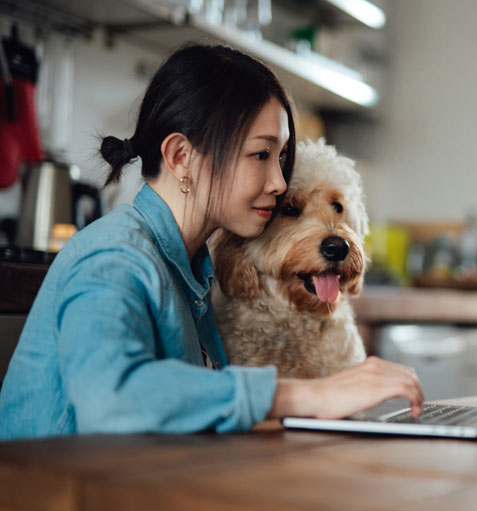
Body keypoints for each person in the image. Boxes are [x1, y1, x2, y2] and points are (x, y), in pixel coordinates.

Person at [0, 44, 423, 439]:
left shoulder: (192, 269)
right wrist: (308, 395)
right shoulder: (115, 257)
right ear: (181, 157)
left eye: (280, 158)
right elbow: (109, 397)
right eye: (261, 155)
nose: (278, 182)